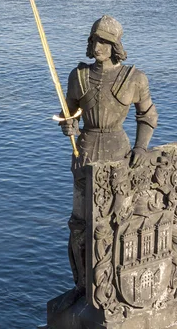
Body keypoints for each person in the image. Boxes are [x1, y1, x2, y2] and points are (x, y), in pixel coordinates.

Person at [59, 15, 158, 294]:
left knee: (117, 223)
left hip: (119, 153)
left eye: (104, 40)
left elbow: (148, 116)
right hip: (85, 152)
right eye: (94, 40)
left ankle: (113, 285)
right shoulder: (78, 76)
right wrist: (69, 125)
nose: (98, 45)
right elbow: (71, 114)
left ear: (115, 45)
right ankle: (82, 286)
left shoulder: (134, 78)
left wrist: (141, 147)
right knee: (79, 225)